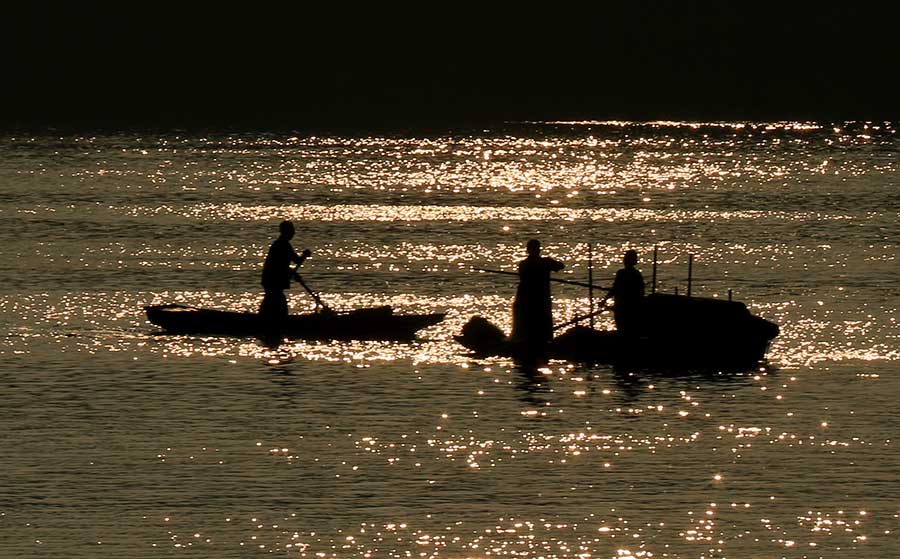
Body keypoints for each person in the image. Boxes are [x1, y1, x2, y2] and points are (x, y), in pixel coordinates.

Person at [510, 239, 564, 345]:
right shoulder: (545, 263)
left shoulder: (524, 264)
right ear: (538, 250)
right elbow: (561, 266)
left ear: (527, 250)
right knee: (542, 326)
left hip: (525, 299)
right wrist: (549, 261)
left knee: (525, 326)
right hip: (540, 300)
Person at [259, 220, 311, 323]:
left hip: (271, 281)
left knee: (271, 302)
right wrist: (304, 255)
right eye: (291, 231)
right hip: (272, 281)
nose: (293, 233)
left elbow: (286, 264)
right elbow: (282, 265)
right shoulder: (281, 245)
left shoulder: (283, 245)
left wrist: (294, 274)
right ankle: (265, 323)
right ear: (285, 232)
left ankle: (264, 321)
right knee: (277, 304)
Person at [611, 249, 645, 335]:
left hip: (623, 306)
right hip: (628, 306)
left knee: (623, 329)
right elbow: (641, 291)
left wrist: (605, 300)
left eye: (626, 258)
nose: (624, 260)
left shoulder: (623, 273)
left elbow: (615, 289)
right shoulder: (636, 274)